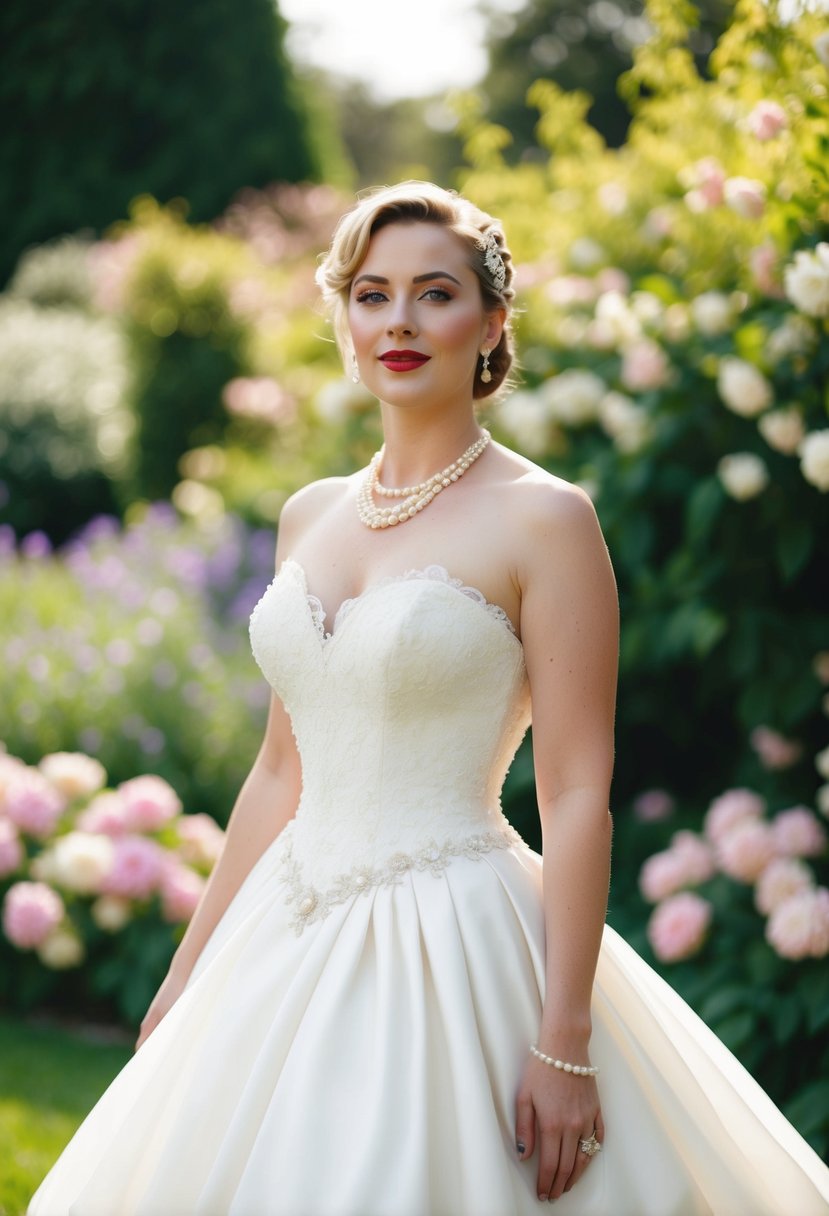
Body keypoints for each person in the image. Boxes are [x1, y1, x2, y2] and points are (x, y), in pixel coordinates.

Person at [28, 181, 829, 1216]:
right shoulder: (307, 514)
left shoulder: (546, 519)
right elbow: (280, 768)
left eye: (434, 293)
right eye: (371, 294)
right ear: (345, 319)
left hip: (452, 937)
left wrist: (566, 1038)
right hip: (281, 931)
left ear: (491, 323)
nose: (398, 319)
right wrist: (184, 982)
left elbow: (577, 790)